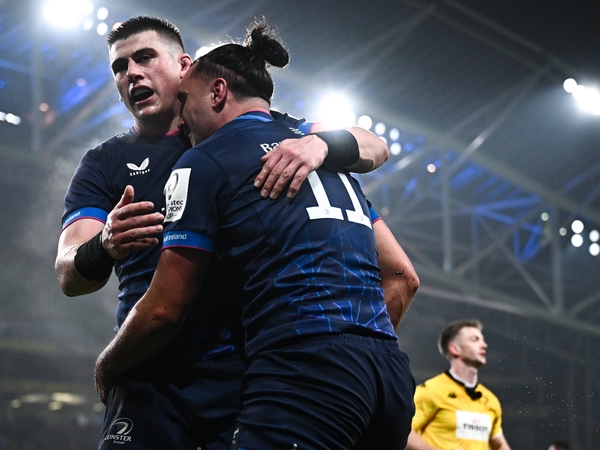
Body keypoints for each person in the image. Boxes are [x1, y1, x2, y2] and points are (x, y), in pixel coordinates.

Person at [55, 15, 410, 450]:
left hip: (250, 376)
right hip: (154, 377)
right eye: (119, 67)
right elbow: (68, 273)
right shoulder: (105, 162)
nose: (131, 73)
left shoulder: (272, 136)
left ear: (185, 66)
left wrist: (322, 143)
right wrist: (104, 245)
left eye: (144, 58)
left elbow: (374, 147)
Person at [406, 319, 512, 450]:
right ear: (454, 348)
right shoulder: (430, 391)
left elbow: (499, 445)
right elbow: (404, 432)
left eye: (482, 340)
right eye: (475, 339)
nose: (484, 345)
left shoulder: (490, 399)